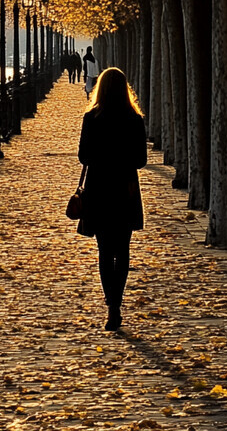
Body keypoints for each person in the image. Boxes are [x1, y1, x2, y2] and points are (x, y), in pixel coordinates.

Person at [76, 67, 147, 331]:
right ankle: (117, 299)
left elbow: (83, 156)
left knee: (105, 251)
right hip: (125, 189)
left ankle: (112, 305)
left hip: (99, 189)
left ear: (100, 89)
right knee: (123, 249)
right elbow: (141, 161)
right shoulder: (134, 119)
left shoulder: (91, 118)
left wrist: (101, 158)